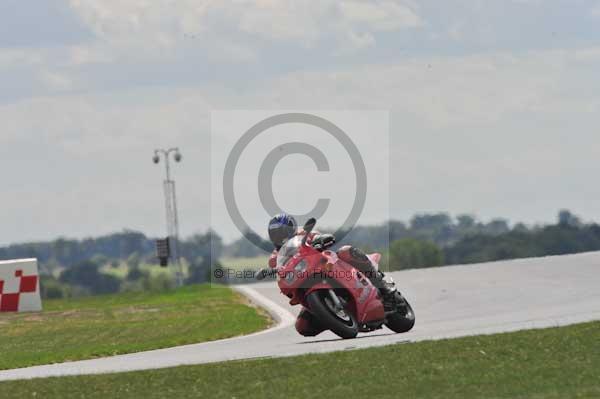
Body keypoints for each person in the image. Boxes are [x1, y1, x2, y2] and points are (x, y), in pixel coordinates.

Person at [267, 212, 397, 336]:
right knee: (303, 326)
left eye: (282, 232)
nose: (280, 236)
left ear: (291, 228)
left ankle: (383, 287)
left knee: (346, 251)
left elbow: (317, 236)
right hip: (304, 278)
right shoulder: (274, 256)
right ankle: (332, 317)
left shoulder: (304, 235)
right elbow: (278, 268)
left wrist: (321, 239)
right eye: (275, 234)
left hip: (326, 265)